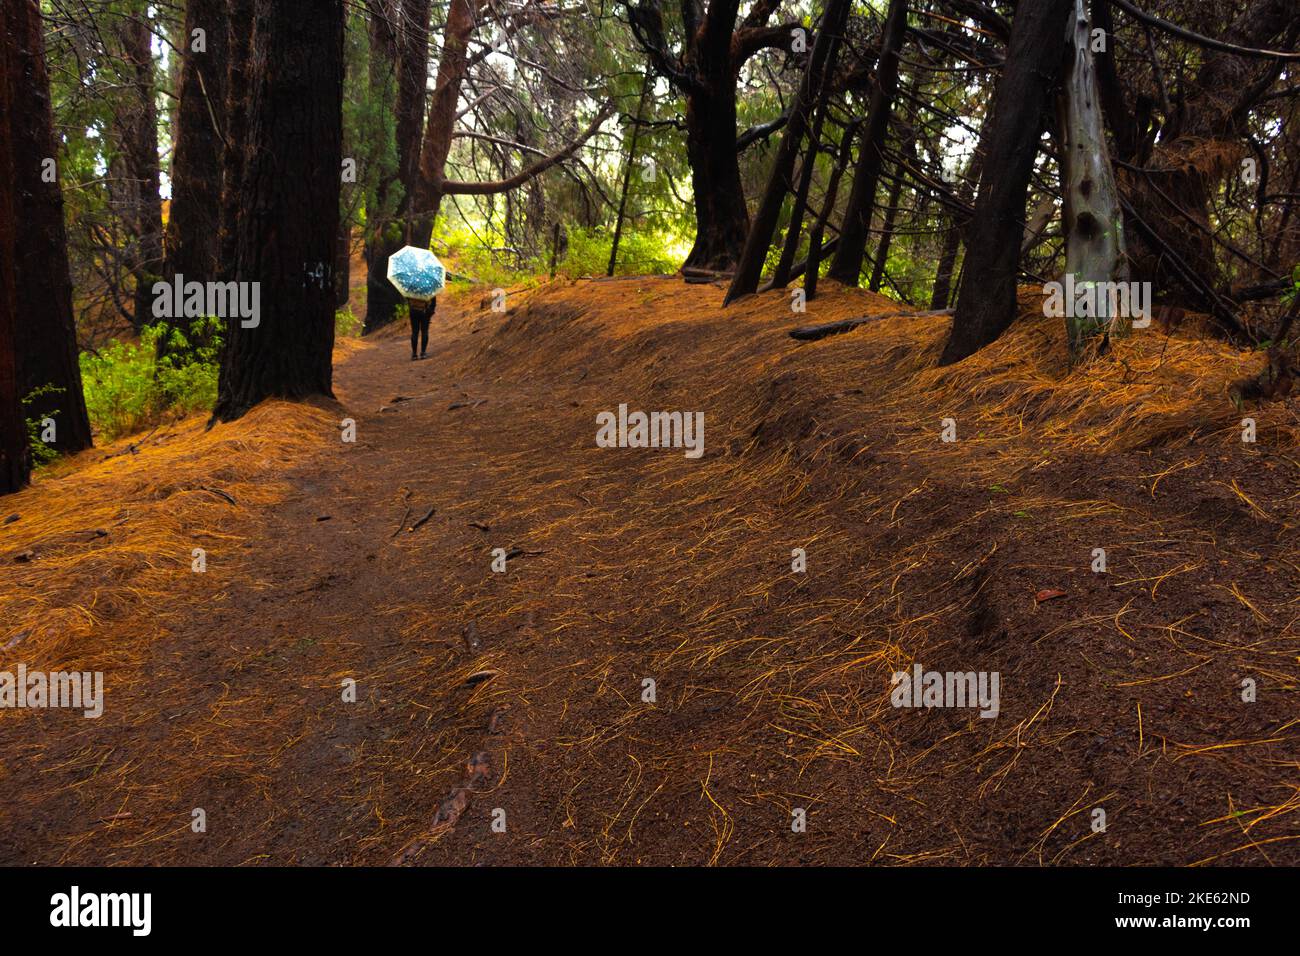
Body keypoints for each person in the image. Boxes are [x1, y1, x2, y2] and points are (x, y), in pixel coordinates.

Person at [407, 296, 436, 360]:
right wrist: (431, 310)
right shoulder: (429, 287)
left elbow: (407, 298)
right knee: (424, 331)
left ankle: (414, 354)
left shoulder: (411, 286)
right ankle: (423, 353)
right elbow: (433, 301)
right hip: (425, 311)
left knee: (414, 332)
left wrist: (410, 307)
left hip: (413, 311)